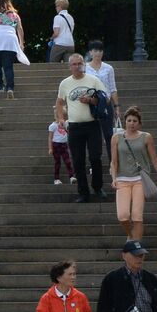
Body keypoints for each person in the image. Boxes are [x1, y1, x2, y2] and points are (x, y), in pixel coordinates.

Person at [109, 107, 157, 242]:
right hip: (122, 179)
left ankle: (137, 245)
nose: (132, 123)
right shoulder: (116, 138)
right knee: (123, 216)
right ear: (125, 122)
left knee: (137, 216)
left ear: (139, 123)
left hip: (139, 180)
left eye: (135, 121)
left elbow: (154, 160)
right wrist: (113, 178)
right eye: (129, 120)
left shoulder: (146, 137)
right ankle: (132, 237)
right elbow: (114, 161)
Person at [55, 54, 107, 203]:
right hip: (74, 127)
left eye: (80, 64)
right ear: (70, 66)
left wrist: (91, 100)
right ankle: (83, 192)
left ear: (83, 64)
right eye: (74, 64)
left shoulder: (93, 80)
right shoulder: (65, 83)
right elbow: (59, 102)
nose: (77, 67)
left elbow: (105, 98)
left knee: (95, 157)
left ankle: (97, 187)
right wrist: (60, 119)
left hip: (92, 124)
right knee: (77, 161)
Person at [84, 41, 119, 159]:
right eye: (95, 50)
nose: (98, 53)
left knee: (109, 134)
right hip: (92, 104)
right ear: (90, 52)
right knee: (93, 136)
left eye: (100, 50)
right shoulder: (85, 68)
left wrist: (116, 106)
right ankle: (94, 163)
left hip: (106, 104)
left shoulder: (108, 68)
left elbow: (112, 88)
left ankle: (112, 162)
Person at [46, 118, 75, 185]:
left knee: (68, 161)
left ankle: (71, 176)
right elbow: (50, 137)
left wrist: (65, 127)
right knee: (57, 162)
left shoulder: (65, 124)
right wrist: (50, 148)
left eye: (65, 118)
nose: (64, 119)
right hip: (56, 145)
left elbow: (69, 132)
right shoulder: (53, 126)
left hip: (64, 145)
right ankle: (56, 179)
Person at [49, 0, 75, 64]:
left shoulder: (57, 17)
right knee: (68, 66)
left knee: (52, 64)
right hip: (70, 44)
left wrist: (51, 38)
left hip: (59, 44)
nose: (56, 8)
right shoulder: (71, 17)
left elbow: (56, 33)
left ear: (59, 6)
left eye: (56, 6)